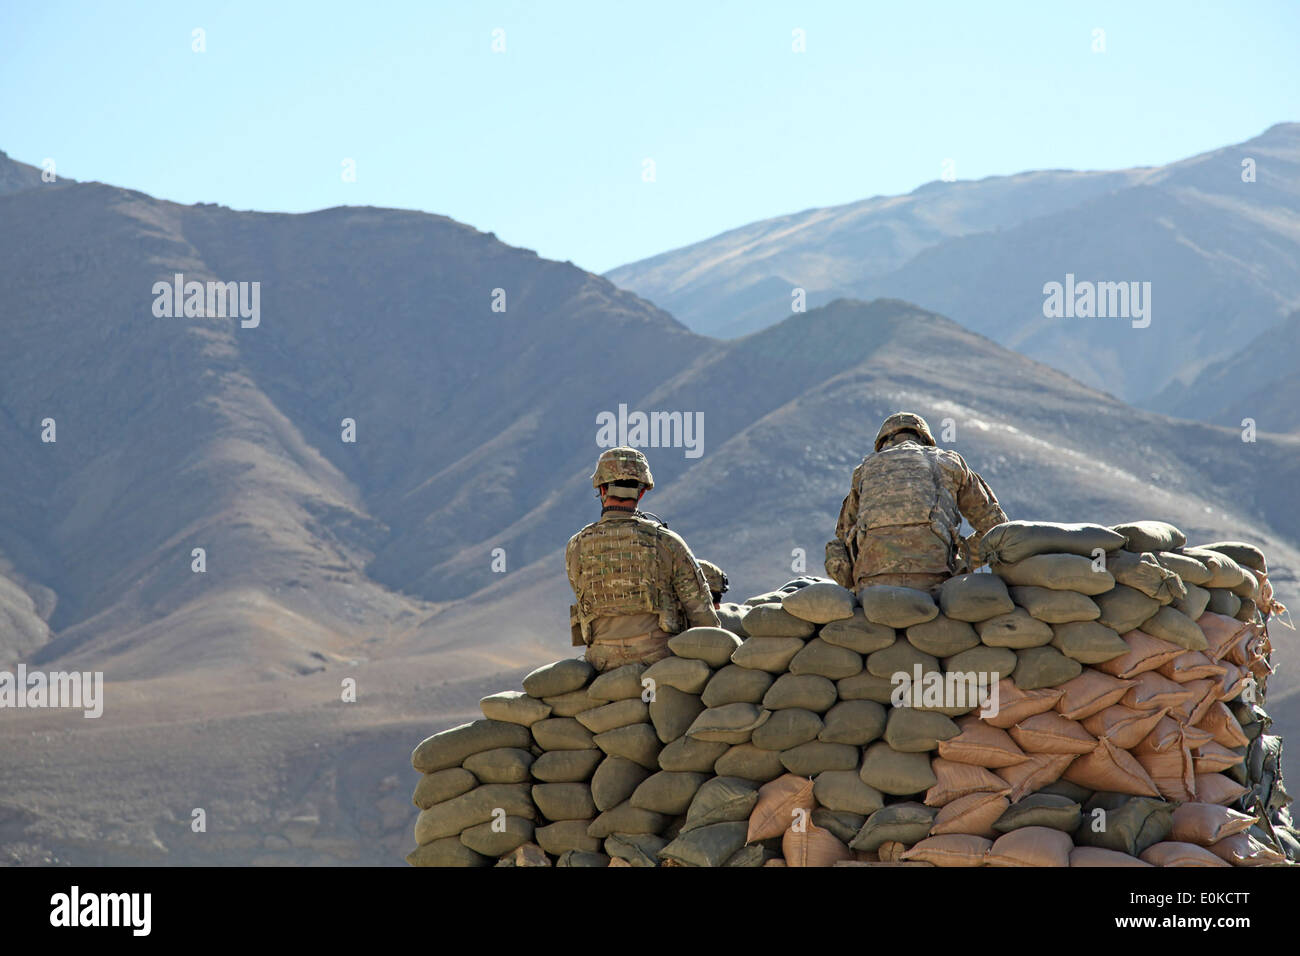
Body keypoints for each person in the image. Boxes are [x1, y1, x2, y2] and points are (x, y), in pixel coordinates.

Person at [566, 447, 719, 670]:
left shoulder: (576, 545)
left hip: (602, 662)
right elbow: (702, 616)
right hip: (659, 660)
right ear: (642, 492)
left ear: (601, 489)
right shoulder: (667, 542)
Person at [825, 412, 1007, 596]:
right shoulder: (949, 463)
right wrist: (960, 560)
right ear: (925, 440)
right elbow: (996, 526)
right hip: (937, 581)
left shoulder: (863, 470)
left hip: (871, 585)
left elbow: (844, 537)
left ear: (883, 443)